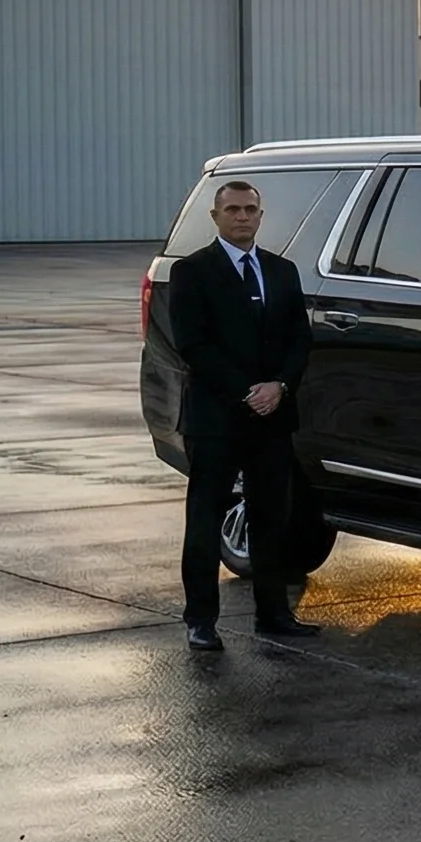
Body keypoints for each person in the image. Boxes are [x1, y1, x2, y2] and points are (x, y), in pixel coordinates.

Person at [169, 179, 318, 649]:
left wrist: (280, 386)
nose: (242, 217)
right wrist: (245, 392)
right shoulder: (193, 272)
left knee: (272, 519)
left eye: (250, 209)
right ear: (215, 217)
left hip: (273, 418)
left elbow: (299, 338)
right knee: (205, 520)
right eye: (232, 209)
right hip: (216, 421)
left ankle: (274, 615)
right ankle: (201, 621)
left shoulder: (282, 271)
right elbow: (193, 344)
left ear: (260, 215)